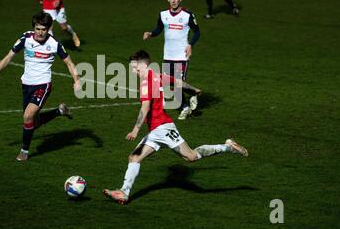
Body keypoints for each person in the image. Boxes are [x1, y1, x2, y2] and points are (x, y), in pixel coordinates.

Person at [103, 50, 248, 204]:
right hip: (156, 131)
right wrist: (192, 89)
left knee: (190, 156)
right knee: (134, 157)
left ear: (144, 65)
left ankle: (227, 146)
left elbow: (145, 108)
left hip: (163, 128)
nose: (133, 72)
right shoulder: (157, 75)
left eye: (135, 68)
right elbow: (177, 82)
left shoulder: (146, 83)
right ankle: (124, 193)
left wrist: (135, 129)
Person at [0, 12, 80, 161]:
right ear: (34, 28)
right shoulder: (25, 38)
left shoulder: (54, 44)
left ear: (48, 29)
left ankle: (24, 151)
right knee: (32, 123)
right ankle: (59, 111)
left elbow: (69, 63)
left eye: (43, 29)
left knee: (27, 116)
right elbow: (9, 56)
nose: (40, 32)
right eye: (38, 28)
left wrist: (76, 80)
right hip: (26, 85)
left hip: (43, 84)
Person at [143, 0, 201, 120]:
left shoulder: (187, 15)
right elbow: (158, 29)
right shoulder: (163, 14)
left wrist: (190, 45)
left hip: (181, 56)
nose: (173, 1)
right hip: (168, 55)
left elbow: (197, 32)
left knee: (177, 83)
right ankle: (192, 94)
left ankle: (185, 107)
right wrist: (150, 34)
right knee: (169, 83)